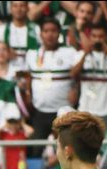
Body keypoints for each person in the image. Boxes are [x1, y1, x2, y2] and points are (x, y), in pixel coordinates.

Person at [26, 17, 79, 148]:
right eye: (46, 31)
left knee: (67, 150)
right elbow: (28, 76)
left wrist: (76, 89)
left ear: (59, 33)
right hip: (39, 111)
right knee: (35, 150)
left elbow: (79, 76)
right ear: (41, 34)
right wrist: (28, 93)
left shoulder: (69, 52)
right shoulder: (32, 54)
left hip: (63, 111)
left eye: (53, 31)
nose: (50, 34)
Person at [71, 23, 107, 127]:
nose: (97, 40)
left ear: (106, 37)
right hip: (85, 110)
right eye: (94, 36)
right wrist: (85, 55)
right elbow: (73, 75)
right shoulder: (80, 55)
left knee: (106, 142)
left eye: (101, 36)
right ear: (90, 38)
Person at [0, 1, 40, 66]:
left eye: (22, 6)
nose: (18, 9)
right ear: (10, 9)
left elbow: (43, 51)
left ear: (27, 8)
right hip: (7, 70)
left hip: (31, 69)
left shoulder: (36, 28)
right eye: (15, 6)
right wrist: (5, 53)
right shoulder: (1, 28)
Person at [0, 104, 33, 169]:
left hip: (21, 165)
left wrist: (22, 123)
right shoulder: (4, 134)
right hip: (6, 165)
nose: (13, 125)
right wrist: (4, 125)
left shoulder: (22, 134)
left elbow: (31, 131)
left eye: (15, 122)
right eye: (11, 122)